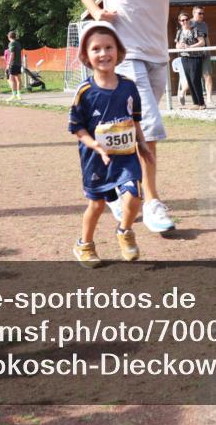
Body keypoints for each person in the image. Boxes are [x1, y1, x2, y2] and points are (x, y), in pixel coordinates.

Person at [74, 0, 207, 234]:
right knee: (149, 124)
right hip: (125, 52)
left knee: (131, 128)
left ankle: (117, 190)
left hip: (157, 54)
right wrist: (96, 13)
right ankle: (152, 202)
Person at [68, 21, 152, 267]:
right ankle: (84, 244)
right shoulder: (85, 91)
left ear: (119, 51)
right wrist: (95, 146)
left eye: (109, 47)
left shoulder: (128, 86)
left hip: (125, 156)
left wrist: (142, 144)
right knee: (96, 204)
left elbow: (134, 119)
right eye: (96, 49)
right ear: (86, 56)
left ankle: (124, 231)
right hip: (95, 160)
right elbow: (77, 128)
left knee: (135, 194)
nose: (103, 53)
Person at [175, 11, 206, 108]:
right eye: (182, 20)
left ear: (189, 20)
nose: (185, 21)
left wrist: (190, 47)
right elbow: (177, 45)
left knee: (195, 79)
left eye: (186, 19)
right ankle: (195, 103)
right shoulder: (179, 32)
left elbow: (202, 42)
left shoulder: (195, 30)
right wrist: (179, 46)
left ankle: (201, 103)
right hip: (184, 58)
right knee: (189, 80)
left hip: (195, 57)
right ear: (180, 22)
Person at [190, 6, 214, 105]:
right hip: (193, 55)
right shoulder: (188, 23)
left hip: (205, 54)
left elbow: (206, 38)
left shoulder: (204, 24)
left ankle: (209, 99)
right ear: (193, 13)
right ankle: (183, 93)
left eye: (203, 13)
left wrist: (209, 50)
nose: (202, 15)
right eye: (199, 13)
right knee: (193, 78)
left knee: (208, 76)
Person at [6, 31, 23, 101]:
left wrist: (8, 64)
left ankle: (14, 95)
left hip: (13, 64)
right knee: (18, 79)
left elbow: (12, 54)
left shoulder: (11, 43)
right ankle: (19, 95)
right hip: (18, 63)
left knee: (11, 79)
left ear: (9, 37)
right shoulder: (18, 43)